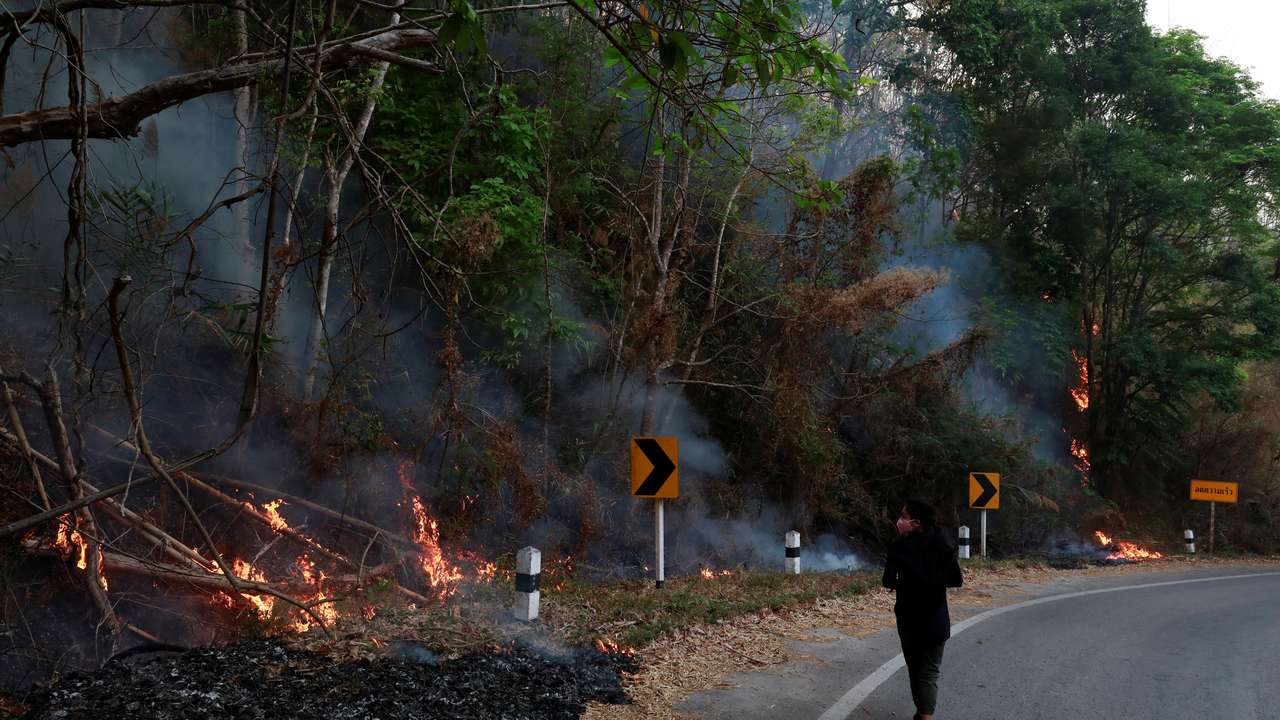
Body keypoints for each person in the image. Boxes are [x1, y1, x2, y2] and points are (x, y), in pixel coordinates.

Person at [881, 498, 964, 720]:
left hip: (909, 618)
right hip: (936, 617)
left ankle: (924, 714)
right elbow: (956, 580)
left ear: (916, 523)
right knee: (929, 671)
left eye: (903, 517)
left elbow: (888, 581)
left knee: (915, 668)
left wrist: (907, 581)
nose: (899, 521)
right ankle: (924, 713)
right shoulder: (943, 542)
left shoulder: (899, 546)